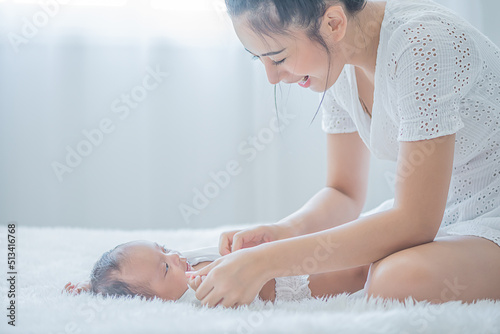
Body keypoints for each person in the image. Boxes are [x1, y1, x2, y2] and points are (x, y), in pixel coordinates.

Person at [185, 0, 500, 308]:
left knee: (396, 280)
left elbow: (415, 222)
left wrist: (265, 261)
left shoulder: (423, 45)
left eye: (278, 57)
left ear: (333, 23)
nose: (272, 77)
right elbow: (343, 192)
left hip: (464, 213)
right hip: (445, 209)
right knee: (337, 264)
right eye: (260, 59)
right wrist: (283, 233)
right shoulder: (338, 60)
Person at [62, 240, 368, 304]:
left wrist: (91, 287)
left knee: (348, 244)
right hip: (298, 283)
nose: (175, 256)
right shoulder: (194, 293)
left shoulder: (182, 269)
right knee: (356, 272)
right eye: (165, 266)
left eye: (164, 247)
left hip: (287, 256)